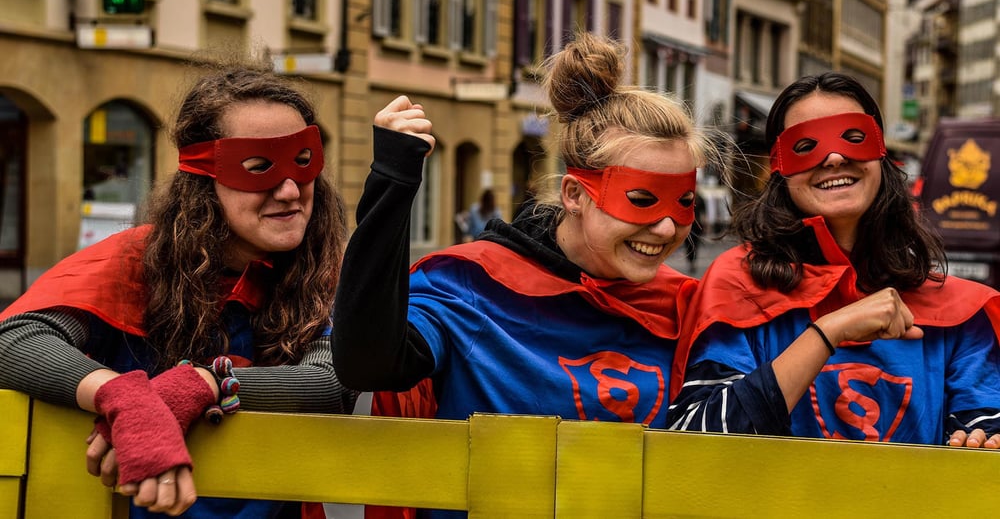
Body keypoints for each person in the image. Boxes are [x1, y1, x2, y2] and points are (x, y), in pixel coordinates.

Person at [332, 32, 714, 518]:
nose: (666, 226)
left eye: (684, 202)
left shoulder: (687, 305)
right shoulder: (472, 286)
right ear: (575, 195)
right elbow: (367, 363)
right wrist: (393, 181)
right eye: (640, 200)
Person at [0, 64, 358, 517]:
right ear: (204, 179)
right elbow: (14, 339)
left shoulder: (325, 271)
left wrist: (205, 382)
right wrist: (123, 398)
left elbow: (331, 382)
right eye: (257, 167)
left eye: (302, 162)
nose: (289, 190)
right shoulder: (137, 260)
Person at [668, 72, 1000, 449]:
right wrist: (829, 332)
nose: (835, 156)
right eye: (806, 145)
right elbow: (695, 437)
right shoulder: (739, 286)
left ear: (880, 154)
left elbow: (983, 424)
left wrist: (979, 439)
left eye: (853, 138)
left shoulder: (957, 311)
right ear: (779, 167)